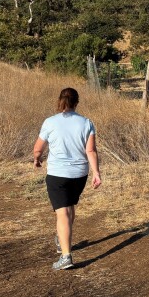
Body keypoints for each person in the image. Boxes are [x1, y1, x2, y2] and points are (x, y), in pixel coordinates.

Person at [32, 87, 102, 270]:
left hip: (57, 174)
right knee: (69, 207)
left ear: (60, 101)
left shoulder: (50, 122)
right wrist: (96, 173)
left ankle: (66, 257)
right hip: (79, 175)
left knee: (62, 212)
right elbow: (91, 150)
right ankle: (62, 240)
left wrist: (37, 159)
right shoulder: (87, 123)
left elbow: (38, 148)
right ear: (77, 103)